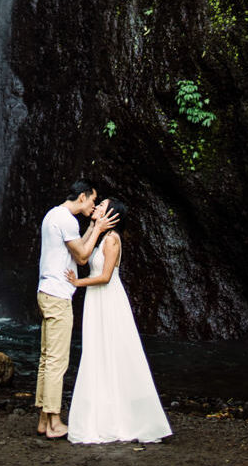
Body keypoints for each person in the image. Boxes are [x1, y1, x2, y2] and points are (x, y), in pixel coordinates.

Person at [65, 197, 172, 444]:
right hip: (97, 299)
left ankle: (117, 417)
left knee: (111, 351)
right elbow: (82, 257)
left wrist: (77, 282)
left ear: (112, 214)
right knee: (98, 351)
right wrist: (94, 227)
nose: (97, 207)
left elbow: (105, 277)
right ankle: (105, 413)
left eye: (102, 205)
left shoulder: (112, 239)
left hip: (107, 298)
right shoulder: (103, 236)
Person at [35, 179, 117, 438]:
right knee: (57, 361)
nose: (94, 205)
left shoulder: (53, 215)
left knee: (47, 358)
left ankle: (43, 420)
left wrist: (92, 226)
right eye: (93, 200)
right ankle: (54, 422)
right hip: (58, 295)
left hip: (45, 291)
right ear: (82, 197)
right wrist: (99, 228)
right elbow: (82, 257)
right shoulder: (67, 220)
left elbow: (77, 247)